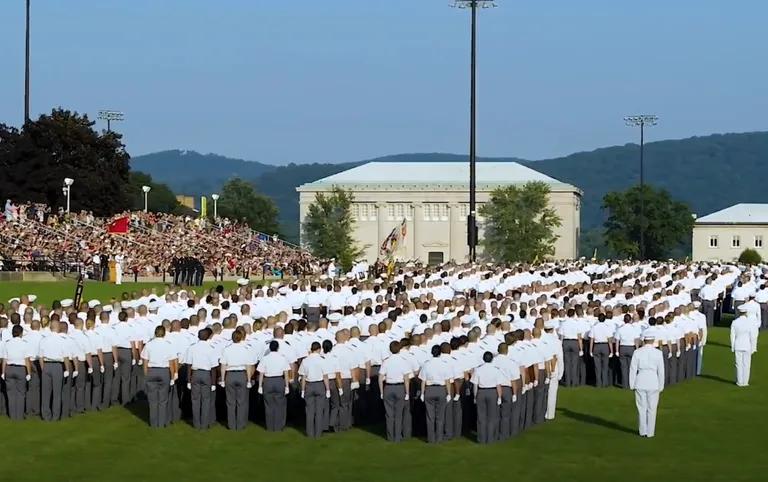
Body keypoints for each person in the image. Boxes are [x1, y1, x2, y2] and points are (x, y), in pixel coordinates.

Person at [141, 325, 178, 428]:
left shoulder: (149, 345)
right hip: (164, 372)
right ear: (164, 334)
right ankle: (161, 423)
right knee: (163, 399)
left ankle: (153, 423)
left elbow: (145, 361)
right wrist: (172, 377)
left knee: (152, 400)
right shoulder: (168, 345)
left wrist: (146, 374)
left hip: (151, 371)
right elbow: (171, 363)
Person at [629, 334, 665, 438]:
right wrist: (661, 385)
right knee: (652, 408)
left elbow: (633, 369)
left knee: (641, 408)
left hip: (640, 380)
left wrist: (632, 384)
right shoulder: (658, 353)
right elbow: (661, 371)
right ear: (653, 340)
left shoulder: (637, 352)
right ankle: (650, 432)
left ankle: (642, 431)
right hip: (653, 381)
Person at [184, 327, 218, 430]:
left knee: (195, 400)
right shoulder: (211, 348)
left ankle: (196, 423)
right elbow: (213, 368)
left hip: (195, 374)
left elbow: (189, 365)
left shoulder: (192, 348)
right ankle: (204, 424)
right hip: (206, 374)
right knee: (206, 400)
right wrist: (213, 383)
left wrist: (189, 380)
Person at [220, 329, 253, 431]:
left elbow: (223, 366)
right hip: (241, 374)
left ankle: (232, 425)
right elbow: (248, 366)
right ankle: (240, 424)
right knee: (241, 401)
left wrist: (222, 379)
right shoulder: (245, 349)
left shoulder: (227, 350)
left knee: (230, 402)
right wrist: (248, 380)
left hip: (230, 375)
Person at [378, 341, 411, 442]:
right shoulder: (403, 361)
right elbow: (406, 378)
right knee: (398, 413)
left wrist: (381, 392)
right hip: (399, 388)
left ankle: (390, 436)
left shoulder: (386, 361)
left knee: (389, 414)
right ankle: (397, 436)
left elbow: (380, 378)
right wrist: (407, 392)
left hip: (388, 387)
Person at [418, 344, 452, 443]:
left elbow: (423, 381)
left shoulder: (426, 364)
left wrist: (423, 393)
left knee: (430, 416)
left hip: (429, 390)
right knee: (440, 416)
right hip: (441, 390)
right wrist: (449, 393)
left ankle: (431, 438)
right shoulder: (444, 364)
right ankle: (439, 438)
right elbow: (447, 381)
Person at [298, 341, 331, 438]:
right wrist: (328, 389)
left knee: (309, 411)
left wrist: (303, 390)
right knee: (319, 411)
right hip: (320, 385)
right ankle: (318, 433)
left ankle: (310, 433)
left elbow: (303, 377)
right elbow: (325, 376)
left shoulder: (305, 360)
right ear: (319, 349)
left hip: (309, 385)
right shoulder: (322, 360)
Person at [258, 340, 292, 432]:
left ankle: (270, 426)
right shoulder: (282, 358)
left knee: (268, 405)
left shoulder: (265, 358)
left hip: (268, 381)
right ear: (278, 348)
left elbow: (261, 373)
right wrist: (287, 386)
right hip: (279, 381)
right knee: (280, 404)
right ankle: (278, 426)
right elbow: (286, 373)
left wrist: (260, 386)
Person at [471, 351, 503, 444]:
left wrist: (475, 396)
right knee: (491, 417)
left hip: (481, 392)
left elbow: (475, 385)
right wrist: (499, 397)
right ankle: (490, 438)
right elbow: (498, 385)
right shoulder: (496, 370)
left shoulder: (478, 370)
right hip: (492, 392)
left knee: (481, 417)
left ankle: (481, 438)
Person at [1, 325, 32, 420]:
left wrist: (3, 372)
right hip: (20, 369)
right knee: (21, 393)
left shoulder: (7, 343)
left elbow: (4, 360)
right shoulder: (25, 343)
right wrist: (29, 373)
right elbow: (27, 360)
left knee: (10, 393)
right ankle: (19, 415)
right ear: (21, 333)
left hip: (9, 368)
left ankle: (12, 415)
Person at [730, 307, 758, 387]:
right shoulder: (750, 322)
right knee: (747, 364)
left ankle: (739, 381)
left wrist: (732, 346)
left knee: (738, 364)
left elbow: (732, 336)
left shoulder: (735, 322)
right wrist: (753, 347)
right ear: (746, 312)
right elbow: (752, 336)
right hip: (747, 345)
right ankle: (745, 382)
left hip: (738, 345)